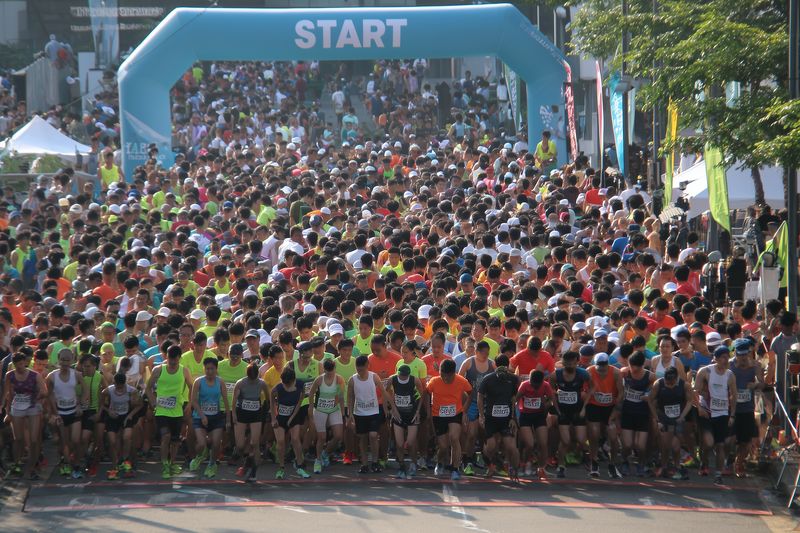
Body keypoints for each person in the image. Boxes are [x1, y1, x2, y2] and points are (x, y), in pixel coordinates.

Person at [145, 344, 192, 479]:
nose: (172, 362)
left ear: (179, 358)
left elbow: (192, 387)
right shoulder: (158, 369)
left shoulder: (184, 371)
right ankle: (165, 464)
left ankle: (172, 463)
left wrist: (189, 404)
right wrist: (153, 401)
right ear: (166, 356)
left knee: (175, 440)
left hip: (177, 410)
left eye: (175, 359)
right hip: (161, 410)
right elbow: (148, 388)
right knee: (165, 436)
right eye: (170, 358)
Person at [695, 346, 737, 485]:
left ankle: (718, 474)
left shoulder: (730, 375)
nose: (726, 360)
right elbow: (695, 391)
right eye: (723, 357)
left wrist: (732, 415)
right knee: (708, 442)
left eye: (727, 357)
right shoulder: (705, 371)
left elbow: (734, 396)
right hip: (706, 412)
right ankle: (704, 460)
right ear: (716, 358)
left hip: (722, 413)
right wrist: (699, 407)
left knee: (720, 445)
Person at [426, 358, 472, 480]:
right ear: (440, 371)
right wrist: (428, 411)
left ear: (454, 373)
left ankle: (455, 468)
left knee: (454, 437)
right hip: (438, 415)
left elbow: (471, 393)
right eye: (443, 375)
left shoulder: (461, 381)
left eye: (448, 376)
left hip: (455, 414)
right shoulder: (434, 381)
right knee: (443, 446)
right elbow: (426, 394)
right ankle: (440, 462)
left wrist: (464, 410)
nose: (445, 378)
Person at [4, 351, 47, 479]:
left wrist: (36, 396)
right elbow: (8, 394)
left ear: (26, 363)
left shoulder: (35, 375)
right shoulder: (10, 375)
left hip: (32, 406)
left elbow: (45, 391)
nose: (20, 368)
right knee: (18, 439)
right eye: (17, 365)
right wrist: (7, 412)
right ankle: (16, 464)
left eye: (22, 364)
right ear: (14, 365)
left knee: (34, 440)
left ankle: (32, 467)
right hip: (17, 406)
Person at [46, 347, 87, 479]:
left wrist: (80, 404)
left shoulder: (76, 374)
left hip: (74, 412)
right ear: (58, 360)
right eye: (62, 360)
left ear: (72, 360)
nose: (65, 362)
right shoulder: (51, 377)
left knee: (76, 440)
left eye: (68, 360)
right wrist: (54, 412)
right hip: (61, 413)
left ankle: (76, 464)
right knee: (64, 442)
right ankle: (65, 463)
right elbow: (49, 395)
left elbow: (85, 390)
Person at [477, 354, 520, 480]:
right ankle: (491, 464)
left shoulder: (513, 379)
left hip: (506, 419)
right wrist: (481, 415)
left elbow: (514, 399)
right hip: (490, 418)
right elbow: (480, 397)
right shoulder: (487, 379)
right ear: (494, 365)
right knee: (490, 446)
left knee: (511, 446)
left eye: (504, 367)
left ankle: (515, 470)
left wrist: (513, 417)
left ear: (508, 367)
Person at [550, 351, 591, 478]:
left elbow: (593, 388)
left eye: (573, 363)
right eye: (567, 363)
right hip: (563, 411)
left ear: (577, 362)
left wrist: (584, 407)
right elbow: (551, 392)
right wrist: (557, 408)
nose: (570, 366)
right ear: (563, 362)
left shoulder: (583, 374)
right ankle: (561, 466)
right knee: (565, 441)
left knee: (581, 440)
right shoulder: (556, 375)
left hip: (578, 410)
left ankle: (587, 457)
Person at [458, 340, 495, 475]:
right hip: (471, 402)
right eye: (483, 353)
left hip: (486, 403)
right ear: (476, 352)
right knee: (471, 434)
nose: (486, 355)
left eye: (488, 353)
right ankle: (467, 461)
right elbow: (458, 382)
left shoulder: (491, 364)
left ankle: (487, 460)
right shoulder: (468, 362)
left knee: (485, 434)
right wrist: (463, 407)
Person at [648, 366, 692, 480]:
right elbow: (650, 400)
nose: (670, 385)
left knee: (676, 447)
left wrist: (682, 416)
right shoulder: (658, 384)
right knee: (666, 445)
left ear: (677, 378)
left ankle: (676, 466)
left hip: (677, 419)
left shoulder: (685, 385)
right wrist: (656, 418)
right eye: (668, 383)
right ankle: (664, 466)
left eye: (672, 383)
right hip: (663, 418)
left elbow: (690, 401)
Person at [189, 357, 231, 479]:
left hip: (216, 417)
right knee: (201, 444)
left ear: (216, 369)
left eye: (212, 368)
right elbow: (194, 401)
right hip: (200, 417)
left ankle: (212, 464)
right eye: (207, 369)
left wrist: (228, 419)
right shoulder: (198, 382)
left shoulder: (220, 382)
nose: (209, 371)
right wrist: (202, 415)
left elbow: (226, 401)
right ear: (204, 369)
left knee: (216, 443)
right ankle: (198, 457)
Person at [347, 355, 389, 474]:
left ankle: (375, 462)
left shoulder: (374, 377)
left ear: (367, 366)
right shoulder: (352, 379)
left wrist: (390, 407)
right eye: (357, 369)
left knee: (373, 435)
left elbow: (384, 392)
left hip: (374, 411)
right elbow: (350, 396)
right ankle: (365, 464)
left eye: (361, 369)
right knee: (363, 438)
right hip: (359, 413)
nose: (359, 372)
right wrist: (349, 413)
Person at [729, 338, 763, 478]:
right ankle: (729, 459)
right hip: (731, 408)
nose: (742, 358)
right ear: (735, 353)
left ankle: (739, 463)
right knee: (730, 439)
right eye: (739, 355)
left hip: (747, 408)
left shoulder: (755, 366)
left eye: (745, 355)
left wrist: (754, 385)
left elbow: (762, 384)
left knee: (746, 441)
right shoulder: (729, 365)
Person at [586, 352, 624, 478]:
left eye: (604, 367)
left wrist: (615, 412)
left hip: (610, 407)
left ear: (608, 364)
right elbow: (585, 391)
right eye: (599, 368)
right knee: (594, 434)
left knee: (613, 437)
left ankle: (612, 464)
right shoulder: (589, 372)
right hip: (594, 406)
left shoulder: (616, 373)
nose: (602, 371)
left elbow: (621, 394)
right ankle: (594, 461)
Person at [100, 372, 143, 480]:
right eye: (117, 386)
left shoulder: (131, 391)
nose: (119, 388)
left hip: (126, 416)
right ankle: (114, 466)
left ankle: (125, 460)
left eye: (121, 386)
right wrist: (108, 410)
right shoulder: (108, 391)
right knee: (112, 441)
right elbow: (100, 403)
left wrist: (130, 415)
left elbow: (139, 405)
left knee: (127, 437)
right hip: (113, 417)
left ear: (124, 384)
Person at [619, 351, 655, 477]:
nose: (633, 369)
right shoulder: (624, 372)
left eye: (636, 367)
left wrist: (648, 395)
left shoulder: (650, 377)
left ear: (642, 365)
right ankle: (624, 462)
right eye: (631, 366)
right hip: (627, 412)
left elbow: (653, 393)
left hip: (642, 413)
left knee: (641, 446)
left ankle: (641, 464)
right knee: (627, 445)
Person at [307, 358, 345, 474]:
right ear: (324, 369)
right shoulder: (319, 380)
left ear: (334, 368)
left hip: (334, 409)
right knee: (322, 437)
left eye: (332, 370)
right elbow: (311, 393)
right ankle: (318, 460)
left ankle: (325, 453)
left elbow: (341, 396)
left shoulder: (339, 379)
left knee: (338, 435)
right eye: (327, 371)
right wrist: (311, 407)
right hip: (320, 410)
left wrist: (343, 413)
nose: (330, 373)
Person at [385, 363, 424, 478]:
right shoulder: (392, 379)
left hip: (411, 414)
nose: (402, 377)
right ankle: (401, 466)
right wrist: (393, 408)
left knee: (411, 443)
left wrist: (418, 411)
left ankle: (413, 463)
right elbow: (387, 392)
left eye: (404, 376)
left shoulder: (414, 380)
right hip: (399, 415)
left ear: (408, 375)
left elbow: (422, 394)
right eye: (400, 375)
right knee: (399, 444)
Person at [234, 361, 270, 481]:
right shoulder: (240, 383)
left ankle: (253, 471)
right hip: (242, 413)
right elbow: (234, 402)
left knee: (255, 443)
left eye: (255, 379)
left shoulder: (262, 383)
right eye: (251, 379)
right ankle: (247, 461)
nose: (253, 381)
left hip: (256, 414)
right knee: (239, 445)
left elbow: (268, 399)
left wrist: (266, 412)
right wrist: (233, 416)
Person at [516, 369, 552, 480]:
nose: (535, 386)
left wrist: (544, 405)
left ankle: (541, 468)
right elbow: (515, 400)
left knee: (543, 443)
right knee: (530, 444)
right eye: (533, 384)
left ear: (542, 381)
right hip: (525, 416)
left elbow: (550, 399)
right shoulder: (524, 385)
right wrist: (515, 416)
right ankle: (525, 463)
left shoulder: (546, 386)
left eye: (537, 385)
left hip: (539, 416)